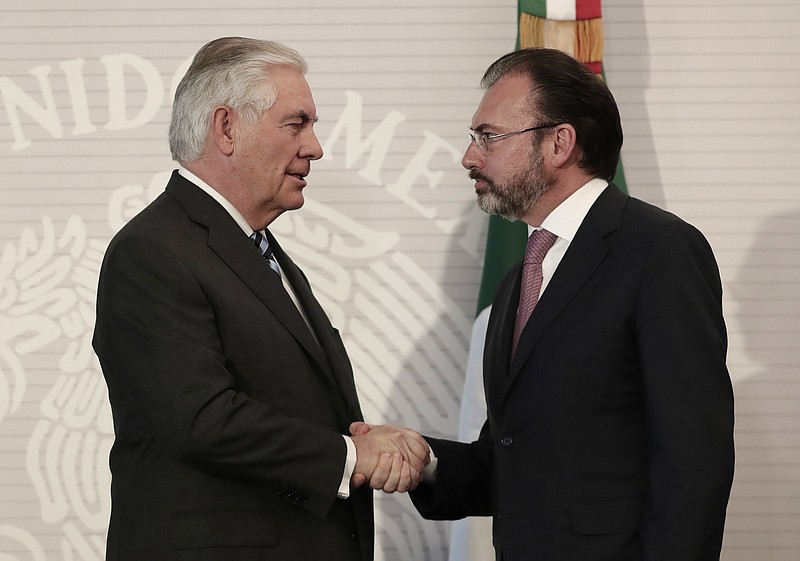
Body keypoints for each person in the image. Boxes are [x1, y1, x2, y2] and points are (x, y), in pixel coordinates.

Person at [355, 47, 735, 560]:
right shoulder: (520, 280)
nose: (469, 157)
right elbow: (510, 459)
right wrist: (425, 461)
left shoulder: (658, 249)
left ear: (559, 142)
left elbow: (695, 455)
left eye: (488, 137)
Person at [92, 37, 428, 561]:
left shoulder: (259, 251)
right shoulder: (152, 249)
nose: (315, 147)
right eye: (296, 124)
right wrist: (349, 455)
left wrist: (364, 445)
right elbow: (201, 420)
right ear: (227, 128)